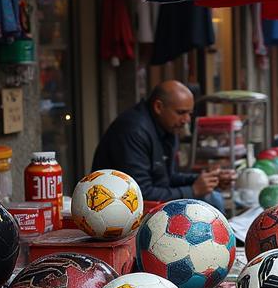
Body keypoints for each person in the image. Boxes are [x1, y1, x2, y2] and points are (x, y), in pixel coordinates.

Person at [92, 81, 231, 206]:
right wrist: (193, 190)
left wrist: (207, 180)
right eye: (181, 112)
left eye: (190, 113)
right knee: (211, 200)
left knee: (213, 196)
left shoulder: (167, 126)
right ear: (158, 107)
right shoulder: (133, 131)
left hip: (146, 201)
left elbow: (166, 177)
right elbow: (139, 194)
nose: (187, 120)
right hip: (117, 207)